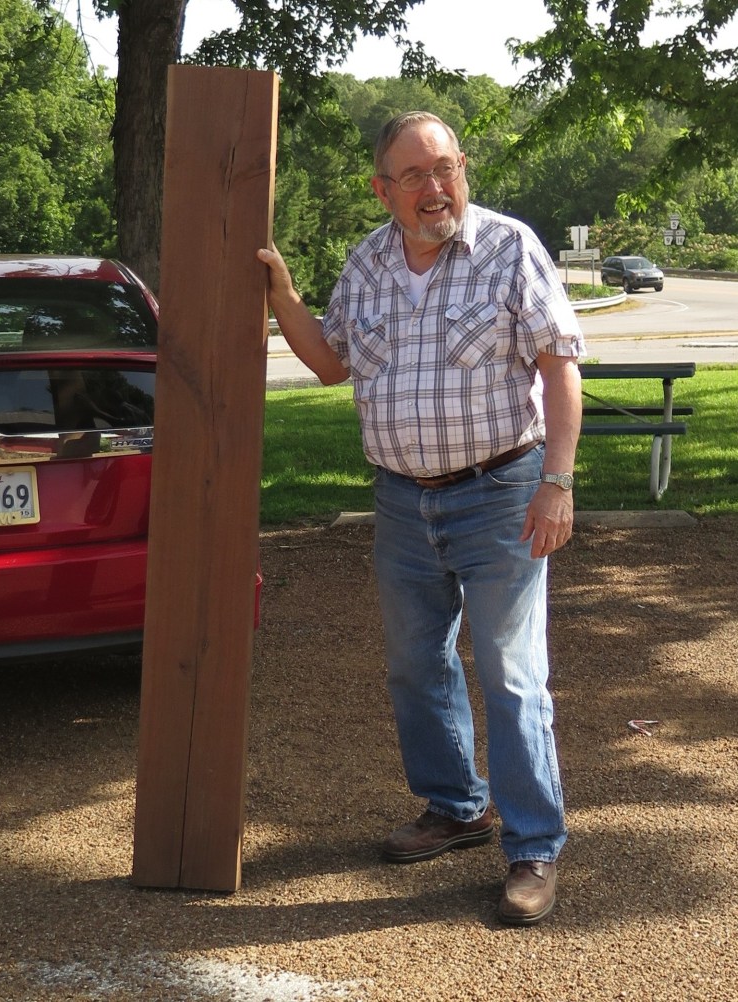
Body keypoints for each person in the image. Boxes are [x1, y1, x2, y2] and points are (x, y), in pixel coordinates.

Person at [257, 111, 584, 926]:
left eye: (446, 168)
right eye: (414, 175)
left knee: (511, 676)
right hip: (401, 500)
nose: (435, 188)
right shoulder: (365, 262)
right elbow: (332, 363)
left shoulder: (510, 247)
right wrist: (285, 299)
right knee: (415, 665)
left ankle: (533, 846)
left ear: (461, 170)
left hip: (500, 492)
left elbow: (559, 365)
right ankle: (455, 807)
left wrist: (557, 483)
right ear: (382, 189)